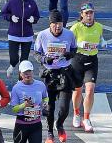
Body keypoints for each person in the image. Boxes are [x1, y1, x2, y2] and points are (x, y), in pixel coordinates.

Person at [33, 11, 77, 143]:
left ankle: (60, 125)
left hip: (65, 72)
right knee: (49, 107)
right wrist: (45, 59)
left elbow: (75, 49)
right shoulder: (42, 35)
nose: (58, 27)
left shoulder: (69, 34)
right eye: (55, 24)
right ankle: (50, 132)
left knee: (64, 108)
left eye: (60, 24)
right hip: (50, 74)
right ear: (50, 24)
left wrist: (70, 54)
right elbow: (36, 53)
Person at [69, 3, 105, 132]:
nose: (89, 16)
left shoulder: (99, 27)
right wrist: (79, 44)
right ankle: (76, 113)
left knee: (90, 90)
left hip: (92, 60)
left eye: (91, 13)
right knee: (77, 90)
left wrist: (103, 42)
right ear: (82, 15)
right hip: (78, 60)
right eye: (86, 13)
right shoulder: (75, 28)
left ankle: (86, 118)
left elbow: (100, 38)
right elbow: (69, 45)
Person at [2, 0, 39, 73]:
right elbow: (4, 13)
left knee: (24, 60)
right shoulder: (12, 1)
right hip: (14, 34)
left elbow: (37, 16)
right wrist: (11, 17)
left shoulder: (32, 2)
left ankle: (21, 78)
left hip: (27, 35)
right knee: (14, 57)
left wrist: (33, 19)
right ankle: (12, 66)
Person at [10, 61, 48, 143]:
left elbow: (45, 97)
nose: (27, 74)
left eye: (29, 71)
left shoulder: (41, 85)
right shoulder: (16, 88)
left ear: (32, 72)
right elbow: (14, 109)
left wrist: (45, 104)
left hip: (36, 125)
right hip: (21, 125)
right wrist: (24, 105)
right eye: (25, 72)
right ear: (20, 74)